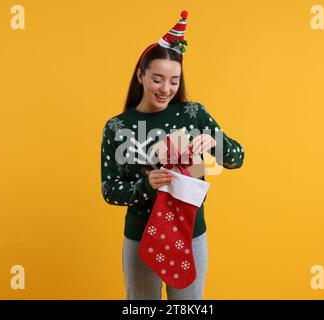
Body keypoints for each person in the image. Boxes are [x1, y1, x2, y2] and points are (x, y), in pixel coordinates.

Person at [100, 10, 245, 300]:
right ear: (140, 76)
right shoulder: (117, 127)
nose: (166, 89)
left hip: (190, 235)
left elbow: (237, 157)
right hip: (142, 237)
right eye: (157, 79)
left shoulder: (194, 114)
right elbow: (110, 190)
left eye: (174, 81)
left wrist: (215, 142)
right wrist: (146, 184)